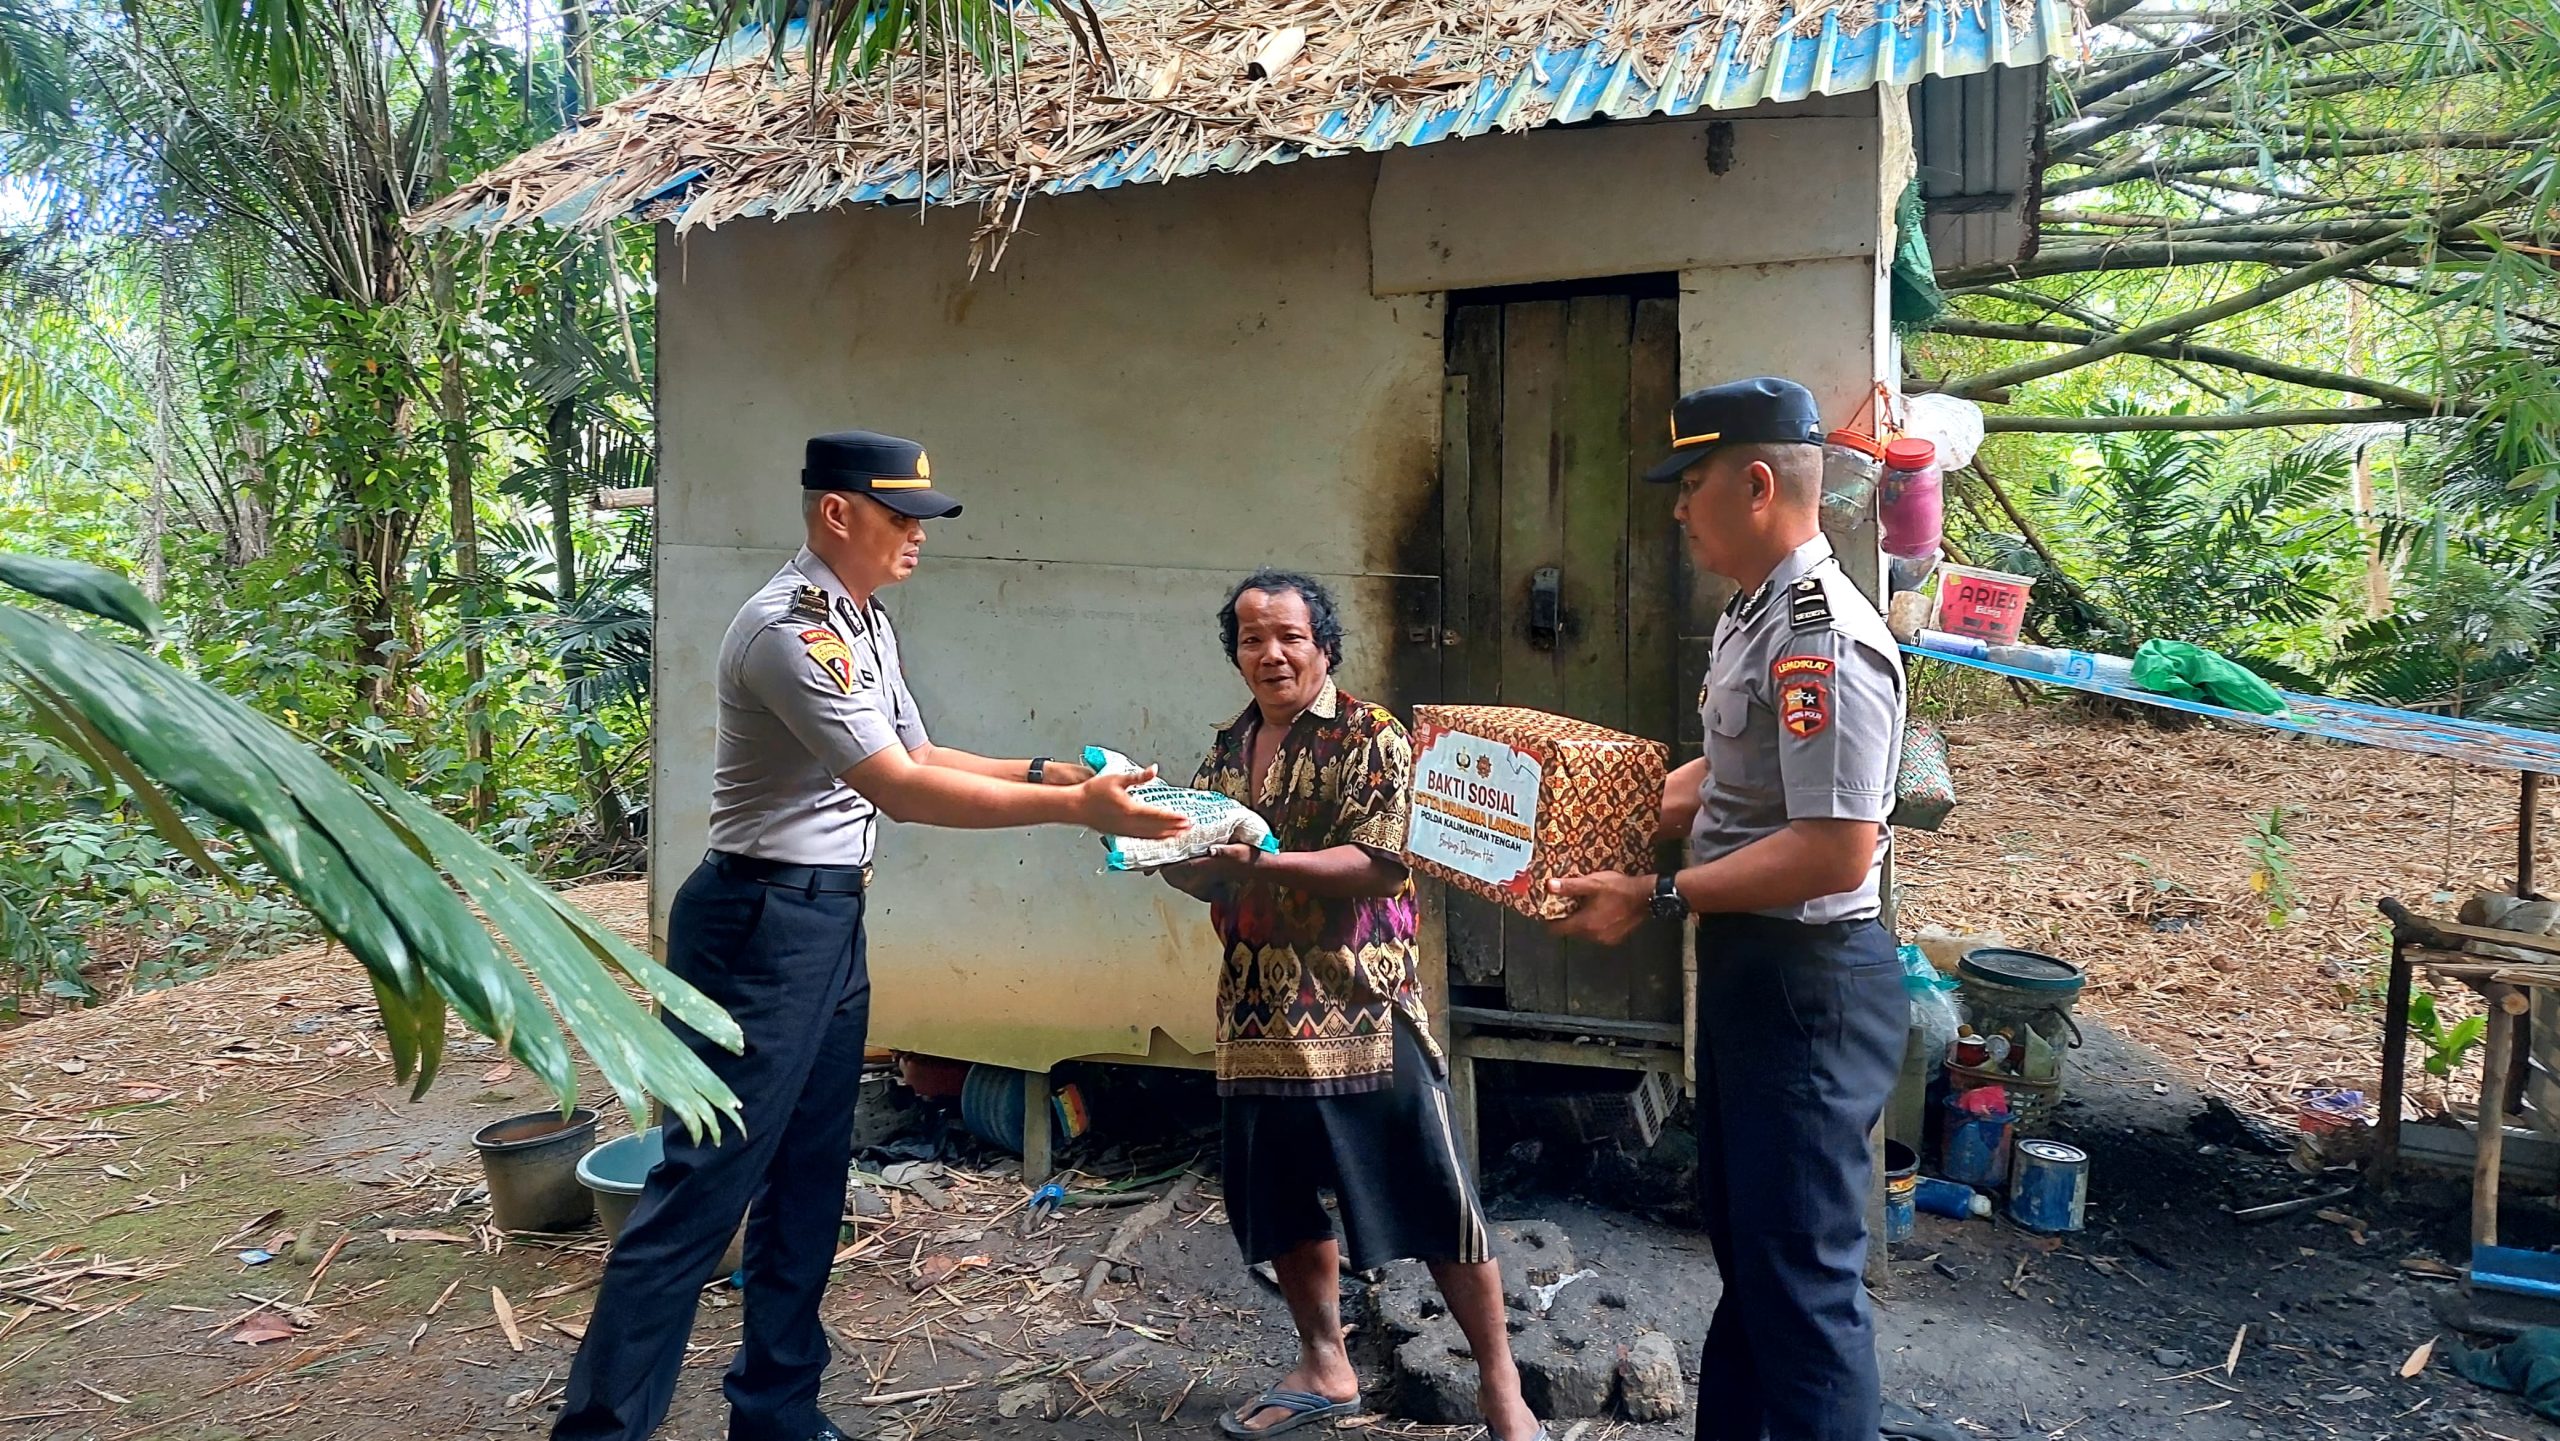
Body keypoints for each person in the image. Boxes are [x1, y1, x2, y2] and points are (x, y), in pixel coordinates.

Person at [552, 430, 1189, 1441]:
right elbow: (897, 787)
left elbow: (922, 749)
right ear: (835, 512)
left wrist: (1052, 774)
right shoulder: (789, 631)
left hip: (824, 918)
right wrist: (1082, 817)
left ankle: (776, 1411)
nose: (918, 538)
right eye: (901, 518)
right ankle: (600, 1430)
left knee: (809, 1173)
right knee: (704, 1185)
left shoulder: (863, 621)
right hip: (758, 922)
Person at [1544, 379, 1908, 1441]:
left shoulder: (1820, 638)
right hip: (1758, 975)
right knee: (1751, 1261)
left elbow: (1835, 844)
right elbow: (1739, 779)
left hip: (1811, 985)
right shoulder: (1755, 617)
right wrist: (1605, 824)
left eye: (1688, 483)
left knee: (1800, 1286)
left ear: (1754, 484)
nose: (1675, 508)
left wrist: (1654, 891)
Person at [1159, 570, 1544, 1441]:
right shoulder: (1228, 748)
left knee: (1435, 1192)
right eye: (1252, 638)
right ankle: (1327, 1365)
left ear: (1323, 644)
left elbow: (1379, 864)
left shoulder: (1372, 735)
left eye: (1288, 635)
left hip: (1362, 1007)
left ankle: (1501, 1385)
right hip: (1256, 1013)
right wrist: (1163, 849)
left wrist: (1253, 861)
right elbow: (1199, 866)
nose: (1271, 653)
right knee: (1281, 1199)